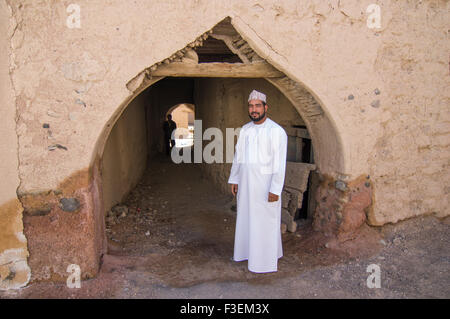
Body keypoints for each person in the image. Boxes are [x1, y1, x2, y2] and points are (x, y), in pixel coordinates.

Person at [228, 89, 288, 273]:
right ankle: (246, 253)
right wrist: (234, 178)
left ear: (265, 107)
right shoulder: (245, 129)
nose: (254, 109)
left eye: (257, 106)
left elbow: (279, 164)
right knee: (247, 219)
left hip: (265, 188)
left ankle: (263, 262)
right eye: (251, 106)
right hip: (246, 187)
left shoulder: (276, 131)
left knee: (265, 223)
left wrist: (275, 190)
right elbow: (238, 156)